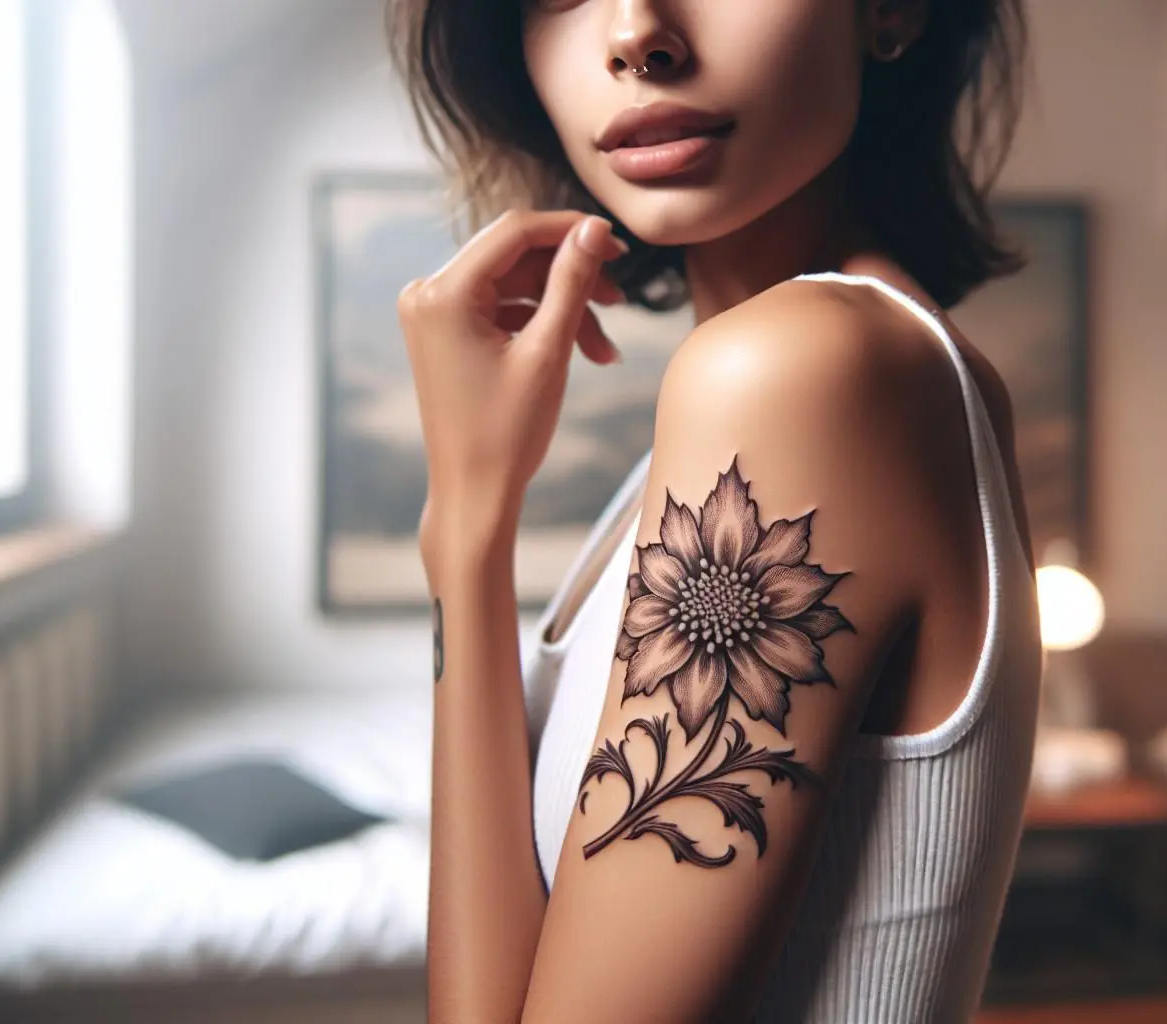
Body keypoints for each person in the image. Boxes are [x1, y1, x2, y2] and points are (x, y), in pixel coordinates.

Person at [390, 1, 1042, 1020]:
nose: (635, 32)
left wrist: (468, 520)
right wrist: (465, 532)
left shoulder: (801, 371)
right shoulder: (760, 389)